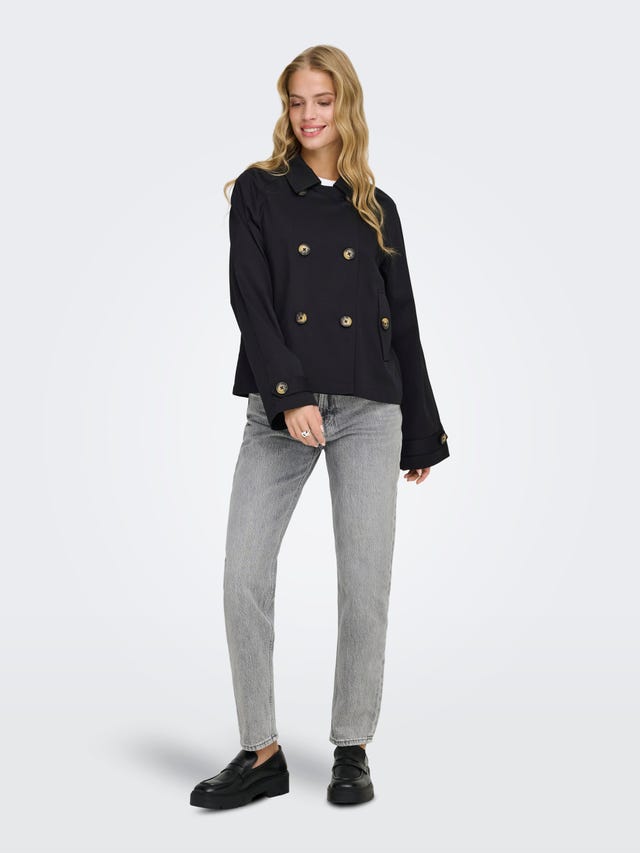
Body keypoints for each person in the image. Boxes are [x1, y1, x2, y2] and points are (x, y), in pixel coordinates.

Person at [190, 44, 450, 810]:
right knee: (243, 573)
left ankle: (352, 746)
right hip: (282, 406)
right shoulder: (259, 192)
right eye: (297, 101)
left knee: (365, 583)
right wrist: (289, 393)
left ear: (347, 107)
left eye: (323, 101)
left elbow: (403, 320)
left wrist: (421, 431)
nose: (308, 116)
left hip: (371, 409)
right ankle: (261, 750)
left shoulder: (377, 207)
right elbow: (250, 298)